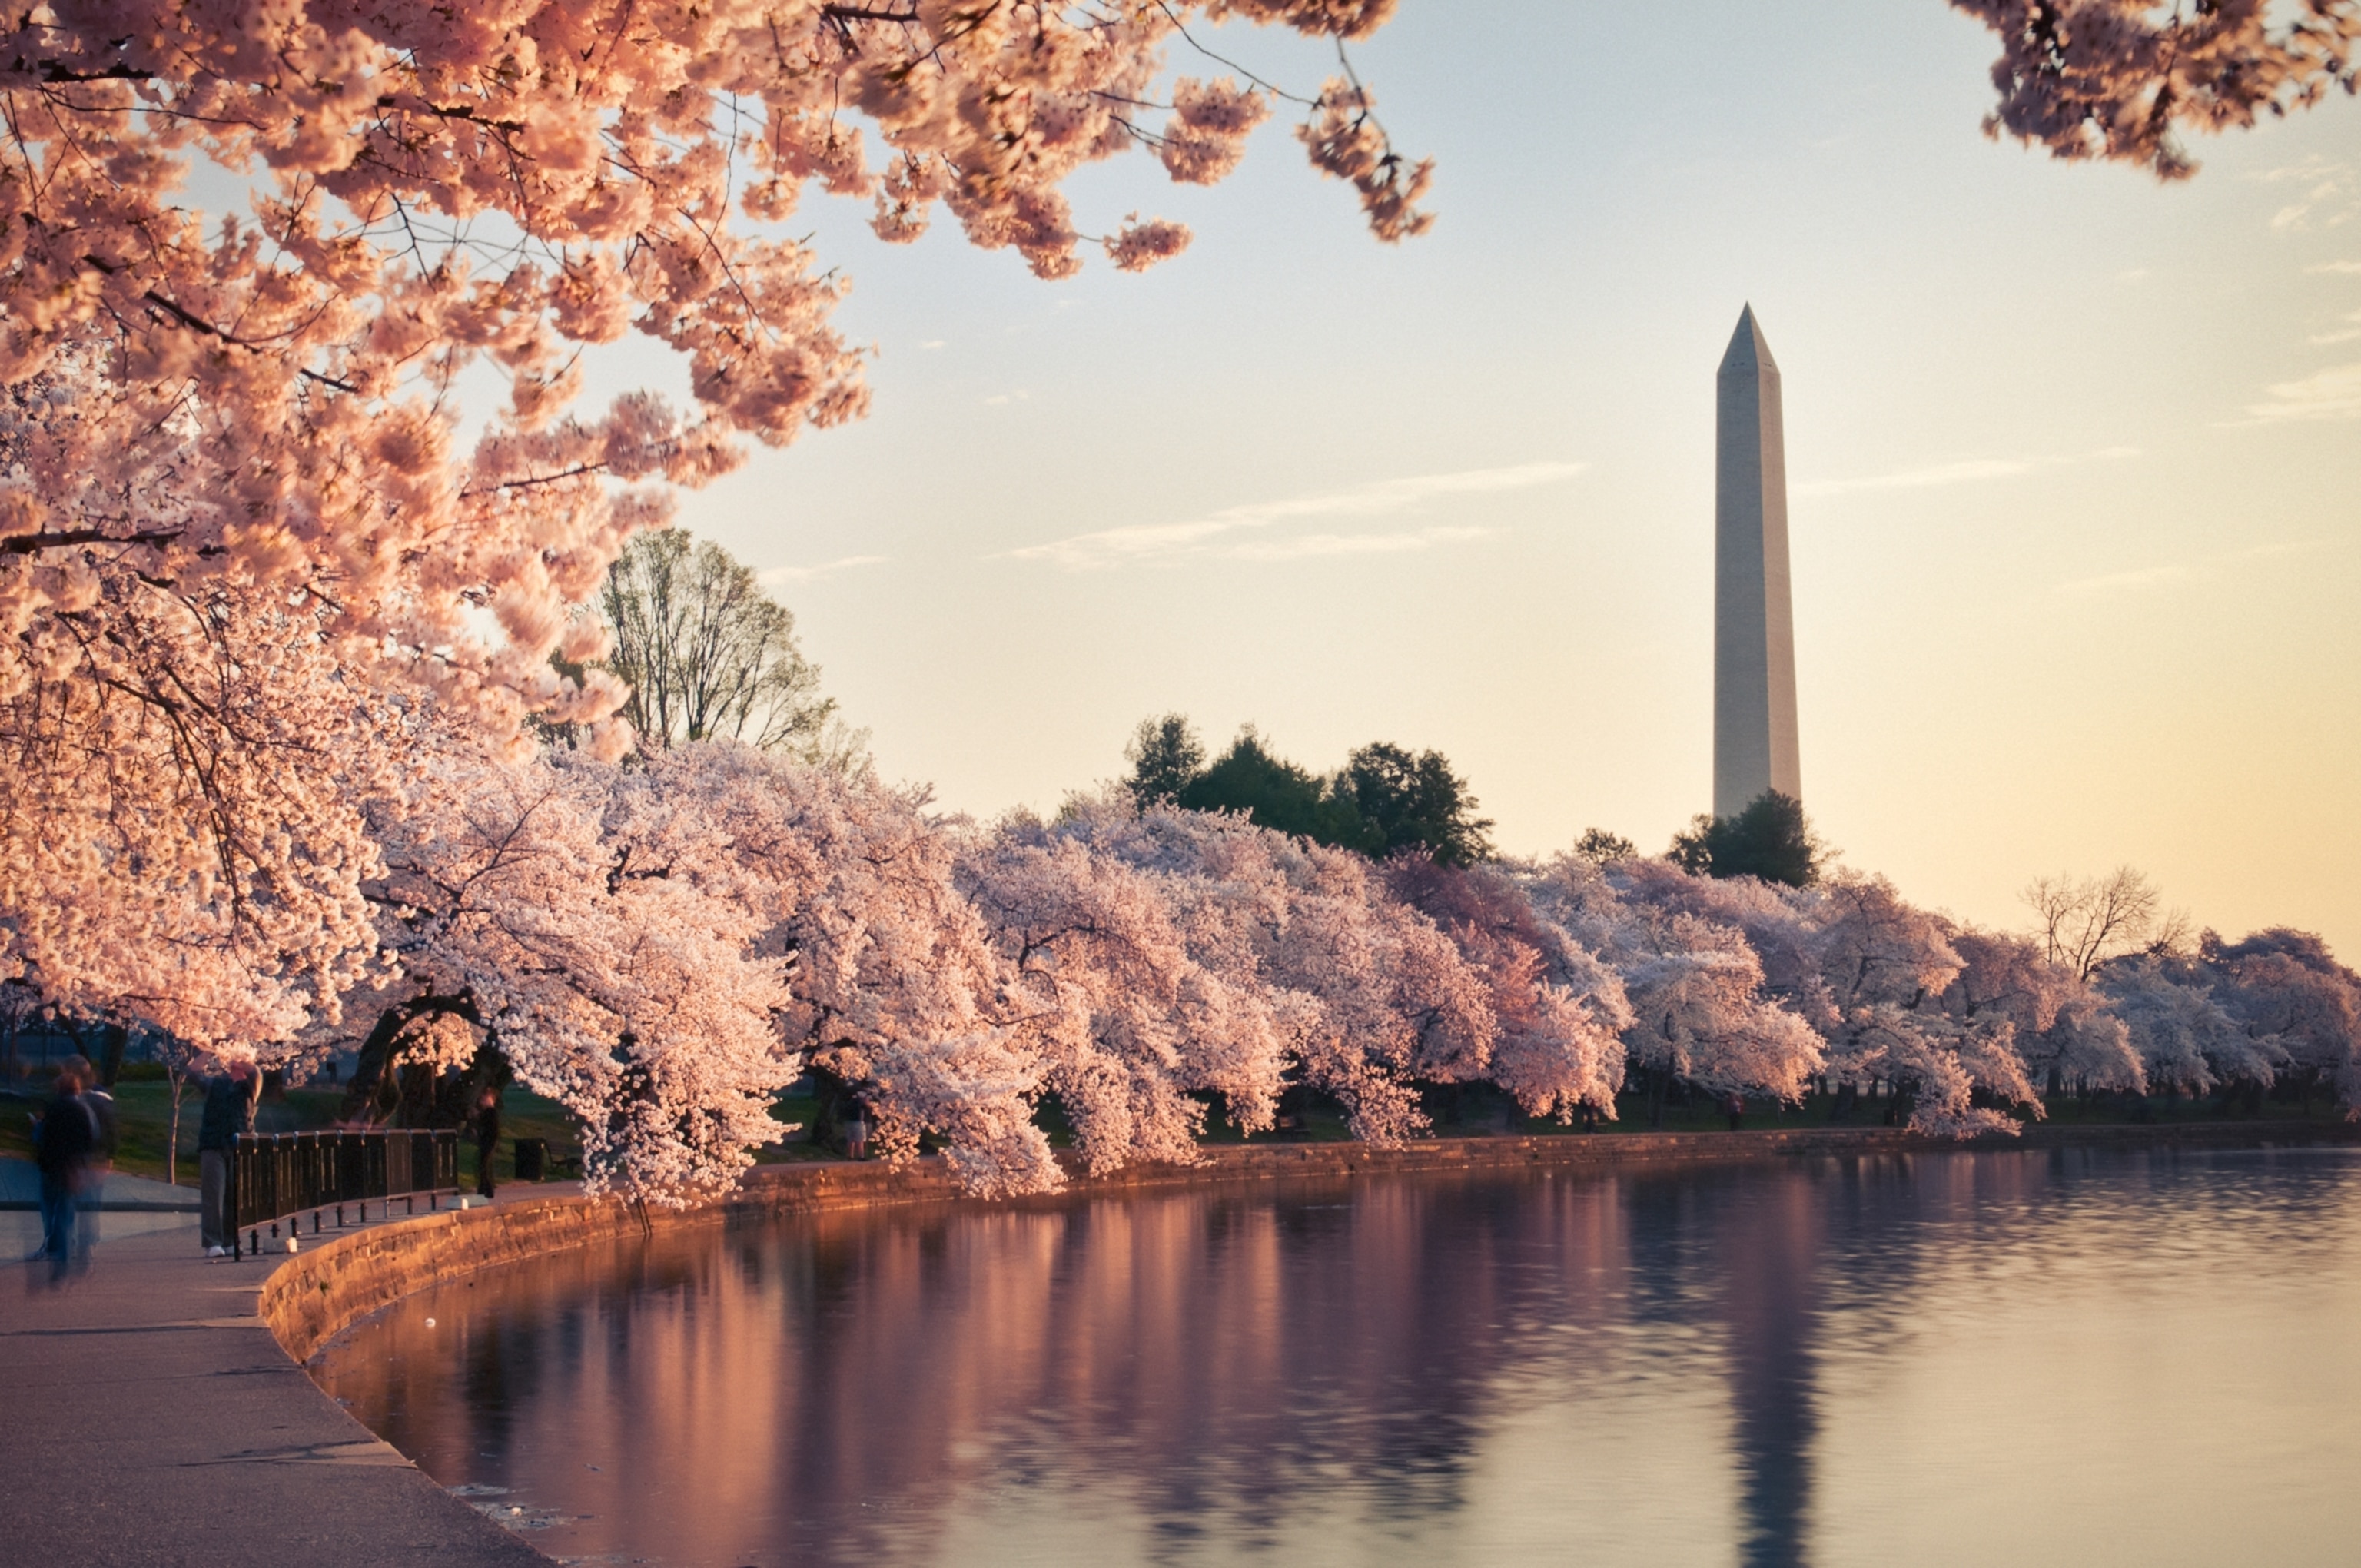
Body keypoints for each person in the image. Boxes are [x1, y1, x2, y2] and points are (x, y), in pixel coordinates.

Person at [28, 1062, 97, 1282]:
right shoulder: (84, 1110)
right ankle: (65, 1256)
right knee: (66, 1212)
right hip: (74, 1167)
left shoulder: (55, 1109)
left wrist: (36, 1126)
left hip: (53, 1166)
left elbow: (43, 1137)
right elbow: (91, 1138)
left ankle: (57, 1250)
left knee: (51, 1209)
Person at [197, 1057, 260, 1259]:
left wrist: (242, 1055)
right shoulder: (216, 1083)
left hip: (239, 1144)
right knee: (213, 1195)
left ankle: (231, 1240)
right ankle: (213, 1241)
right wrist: (208, 1050)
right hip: (213, 1143)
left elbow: (256, 1073)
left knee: (235, 1195)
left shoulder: (250, 1086)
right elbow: (192, 1073)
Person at [67, 1055, 116, 1266]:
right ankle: (89, 1243)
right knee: (91, 1203)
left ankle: (82, 1244)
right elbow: (112, 1131)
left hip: (82, 1158)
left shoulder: (78, 1099)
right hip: (98, 1157)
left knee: (79, 1203)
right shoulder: (102, 1099)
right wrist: (110, 1156)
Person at [473, 1082, 502, 1199]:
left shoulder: (490, 1112)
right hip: (487, 1140)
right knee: (484, 1165)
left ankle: (486, 1190)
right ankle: (485, 1189)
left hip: (488, 1141)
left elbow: (489, 1127)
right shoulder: (488, 1112)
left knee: (484, 1165)